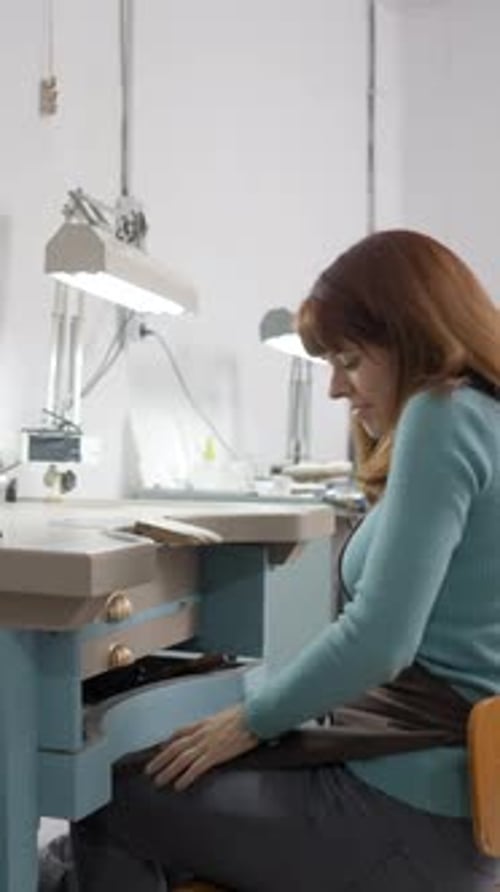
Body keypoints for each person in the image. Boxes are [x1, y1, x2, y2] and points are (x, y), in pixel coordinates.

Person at [70, 229, 500, 891]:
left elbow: (380, 641)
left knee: (111, 799)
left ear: (412, 338)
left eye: (350, 360)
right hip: (459, 808)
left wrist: (249, 720)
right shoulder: (485, 416)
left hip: (410, 817)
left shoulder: (443, 415)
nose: (334, 388)